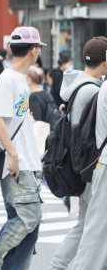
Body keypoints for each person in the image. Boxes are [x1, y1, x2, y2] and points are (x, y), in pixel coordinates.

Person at [0, 27, 44, 270]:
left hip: (25, 161)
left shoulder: (19, 78)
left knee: (29, 229)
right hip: (17, 163)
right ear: (33, 50)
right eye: (38, 48)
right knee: (29, 217)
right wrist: (14, 155)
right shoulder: (9, 79)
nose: (39, 52)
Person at [47, 37, 107, 270]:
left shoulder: (76, 84)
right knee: (92, 227)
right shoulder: (92, 90)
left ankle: (57, 265)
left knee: (85, 225)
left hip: (79, 163)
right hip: (91, 165)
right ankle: (59, 265)